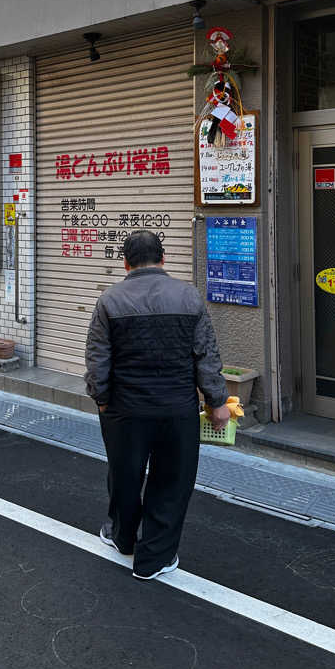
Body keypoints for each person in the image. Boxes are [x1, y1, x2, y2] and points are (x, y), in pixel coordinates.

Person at [85, 230, 229, 580]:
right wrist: (216, 401)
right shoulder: (189, 297)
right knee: (172, 480)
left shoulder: (109, 300)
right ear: (163, 260)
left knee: (124, 475)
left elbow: (97, 359)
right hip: (177, 409)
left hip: (125, 409)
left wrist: (101, 399)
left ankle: (122, 538)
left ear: (125, 263)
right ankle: (154, 558)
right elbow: (206, 355)